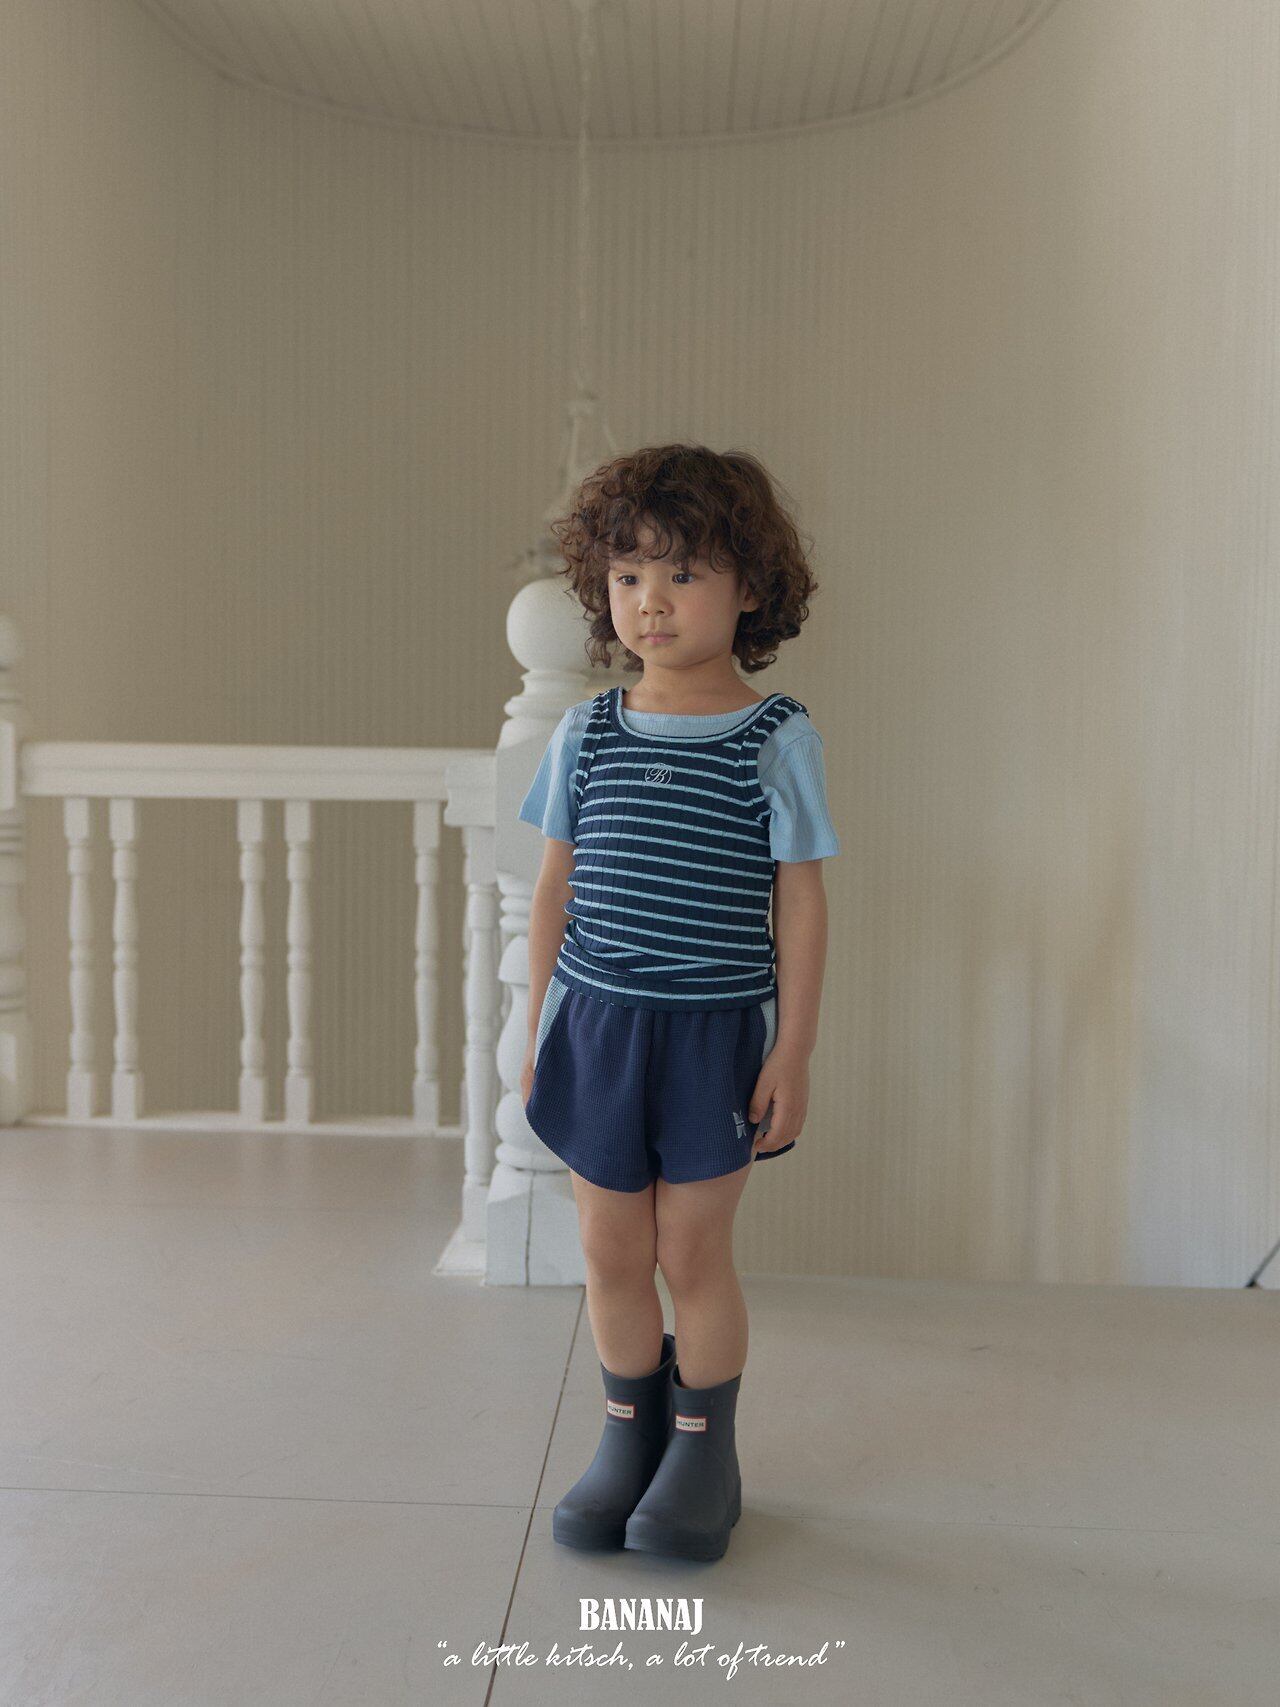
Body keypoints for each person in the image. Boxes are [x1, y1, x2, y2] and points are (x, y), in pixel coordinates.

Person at [517, 443, 839, 1563]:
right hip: (597, 1031)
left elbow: (800, 904)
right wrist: (537, 1028)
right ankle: (628, 1437)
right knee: (610, 1250)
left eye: (683, 573)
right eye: (627, 576)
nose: (649, 601)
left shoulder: (775, 737)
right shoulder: (587, 732)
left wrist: (792, 1052)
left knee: (691, 1255)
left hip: (712, 1039)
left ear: (750, 588)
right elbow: (553, 890)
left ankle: (703, 1453)